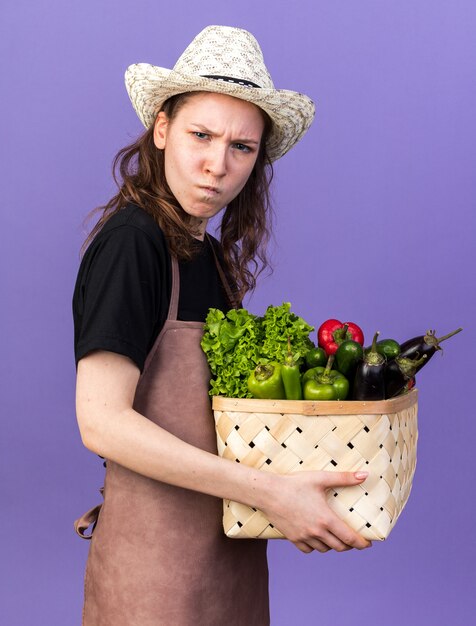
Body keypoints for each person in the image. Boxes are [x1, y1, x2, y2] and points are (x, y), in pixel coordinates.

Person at [73, 25, 371, 626]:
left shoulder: (208, 256)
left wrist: (304, 483)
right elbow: (101, 422)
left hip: (227, 557)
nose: (217, 166)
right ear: (161, 130)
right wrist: (268, 493)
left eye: (242, 147)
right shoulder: (135, 243)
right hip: (155, 573)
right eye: (200, 135)